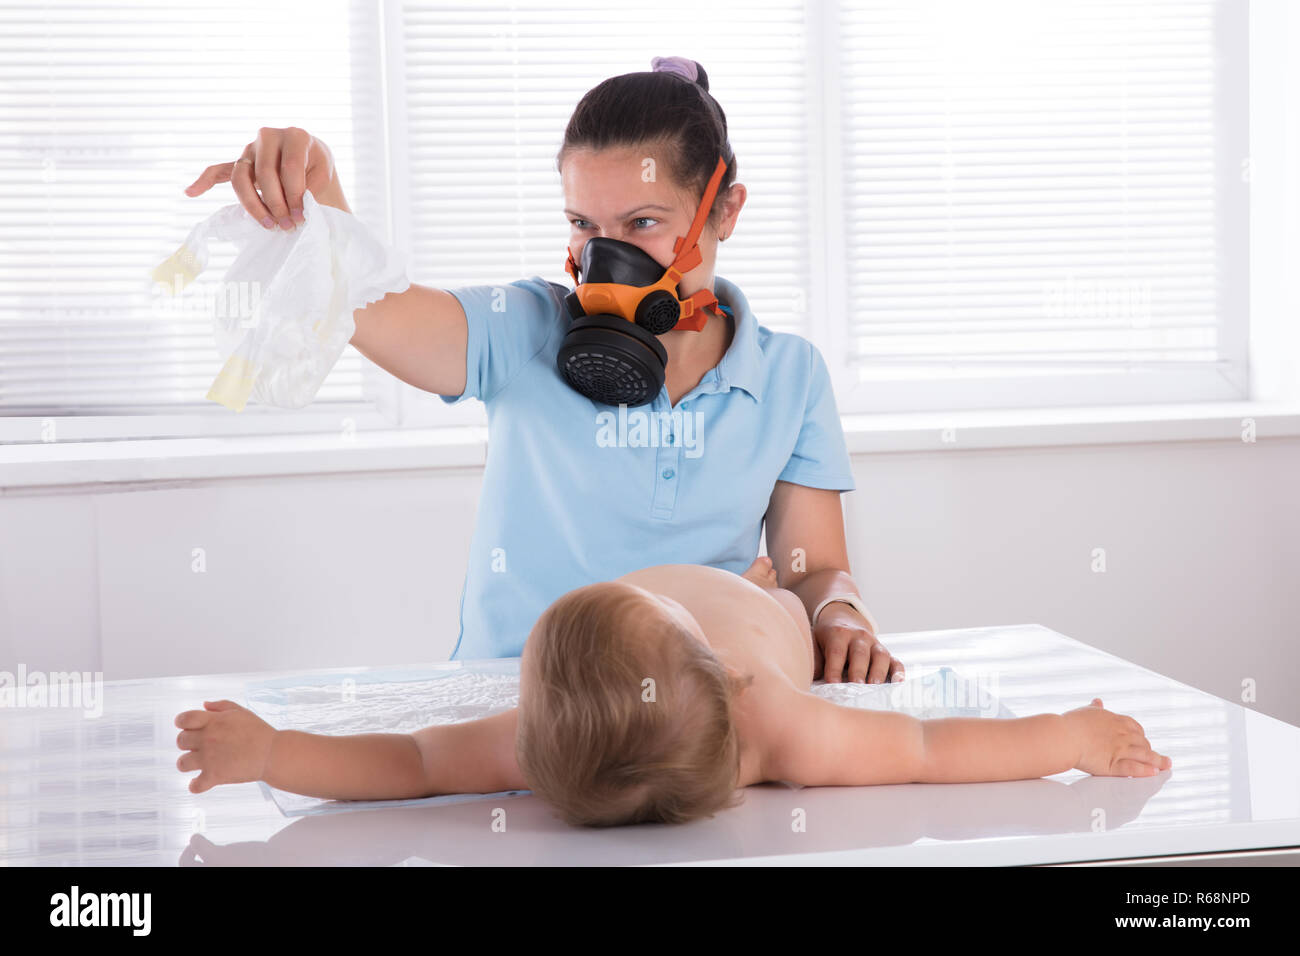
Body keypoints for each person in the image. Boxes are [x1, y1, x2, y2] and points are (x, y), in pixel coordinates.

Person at [184, 56, 901, 684]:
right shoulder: (524, 327)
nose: (604, 260)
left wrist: (840, 614)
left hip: (683, 716)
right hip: (510, 714)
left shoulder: (790, 377)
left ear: (726, 211)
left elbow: (808, 570)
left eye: (643, 224)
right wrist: (319, 187)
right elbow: (377, 307)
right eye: (584, 225)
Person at [174, 555, 1172, 827]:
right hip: (760, 607)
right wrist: (1068, 734)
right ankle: (761, 590)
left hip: (725, 610)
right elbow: (933, 752)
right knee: (770, 587)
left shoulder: (545, 736)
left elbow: (409, 762)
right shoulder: (776, 717)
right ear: (725, 677)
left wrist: (275, 754)